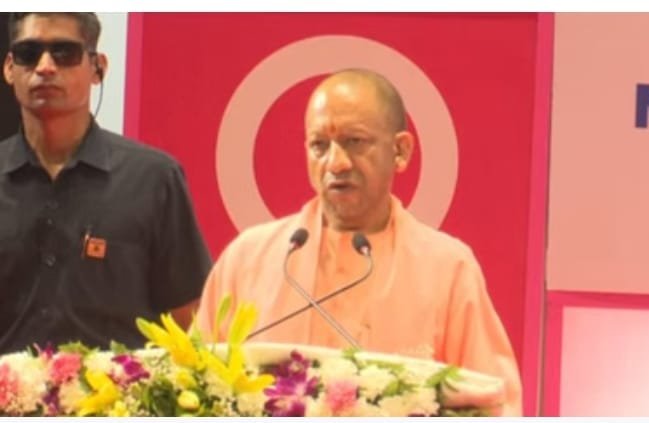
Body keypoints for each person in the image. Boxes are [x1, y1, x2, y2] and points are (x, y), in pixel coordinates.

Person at [196, 69, 522, 415]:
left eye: (355, 141)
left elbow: (494, 403)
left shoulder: (447, 268)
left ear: (401, 151)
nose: (336, 163)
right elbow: (194, 386)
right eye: (319, 145)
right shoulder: (249, 259)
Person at [0, 13, 211, 353]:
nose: (45, 67)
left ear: (98, 68)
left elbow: (189, 319)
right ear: (10, 68)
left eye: (64, 53)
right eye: (29, 53)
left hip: (121, 387)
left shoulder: (153, 178)